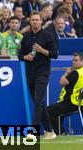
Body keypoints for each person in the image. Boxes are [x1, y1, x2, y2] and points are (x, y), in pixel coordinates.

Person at [18, 11, 57, 139]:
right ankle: (50, 131)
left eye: (37, 20)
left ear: (41, 21)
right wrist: (25, 57)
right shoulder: (26, 36)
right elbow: (20, 55)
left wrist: (42, 50)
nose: (35, 22)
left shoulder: (48, 35)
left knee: (38, 100)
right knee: (38, 102)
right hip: (30, 73)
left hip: (43, 72)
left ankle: (32, 132)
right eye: (33, 20)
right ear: (30, 21)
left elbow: (54, 54)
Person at [43, 52, 83, 139]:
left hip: (74, 103)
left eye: (76, 60)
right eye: (73, 60)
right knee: (58, 109)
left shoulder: (76, 72)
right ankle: (61, 132)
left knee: (49, 110)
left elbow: (62, 82)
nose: (73, 62)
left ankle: (61, 133)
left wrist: (67, 73)